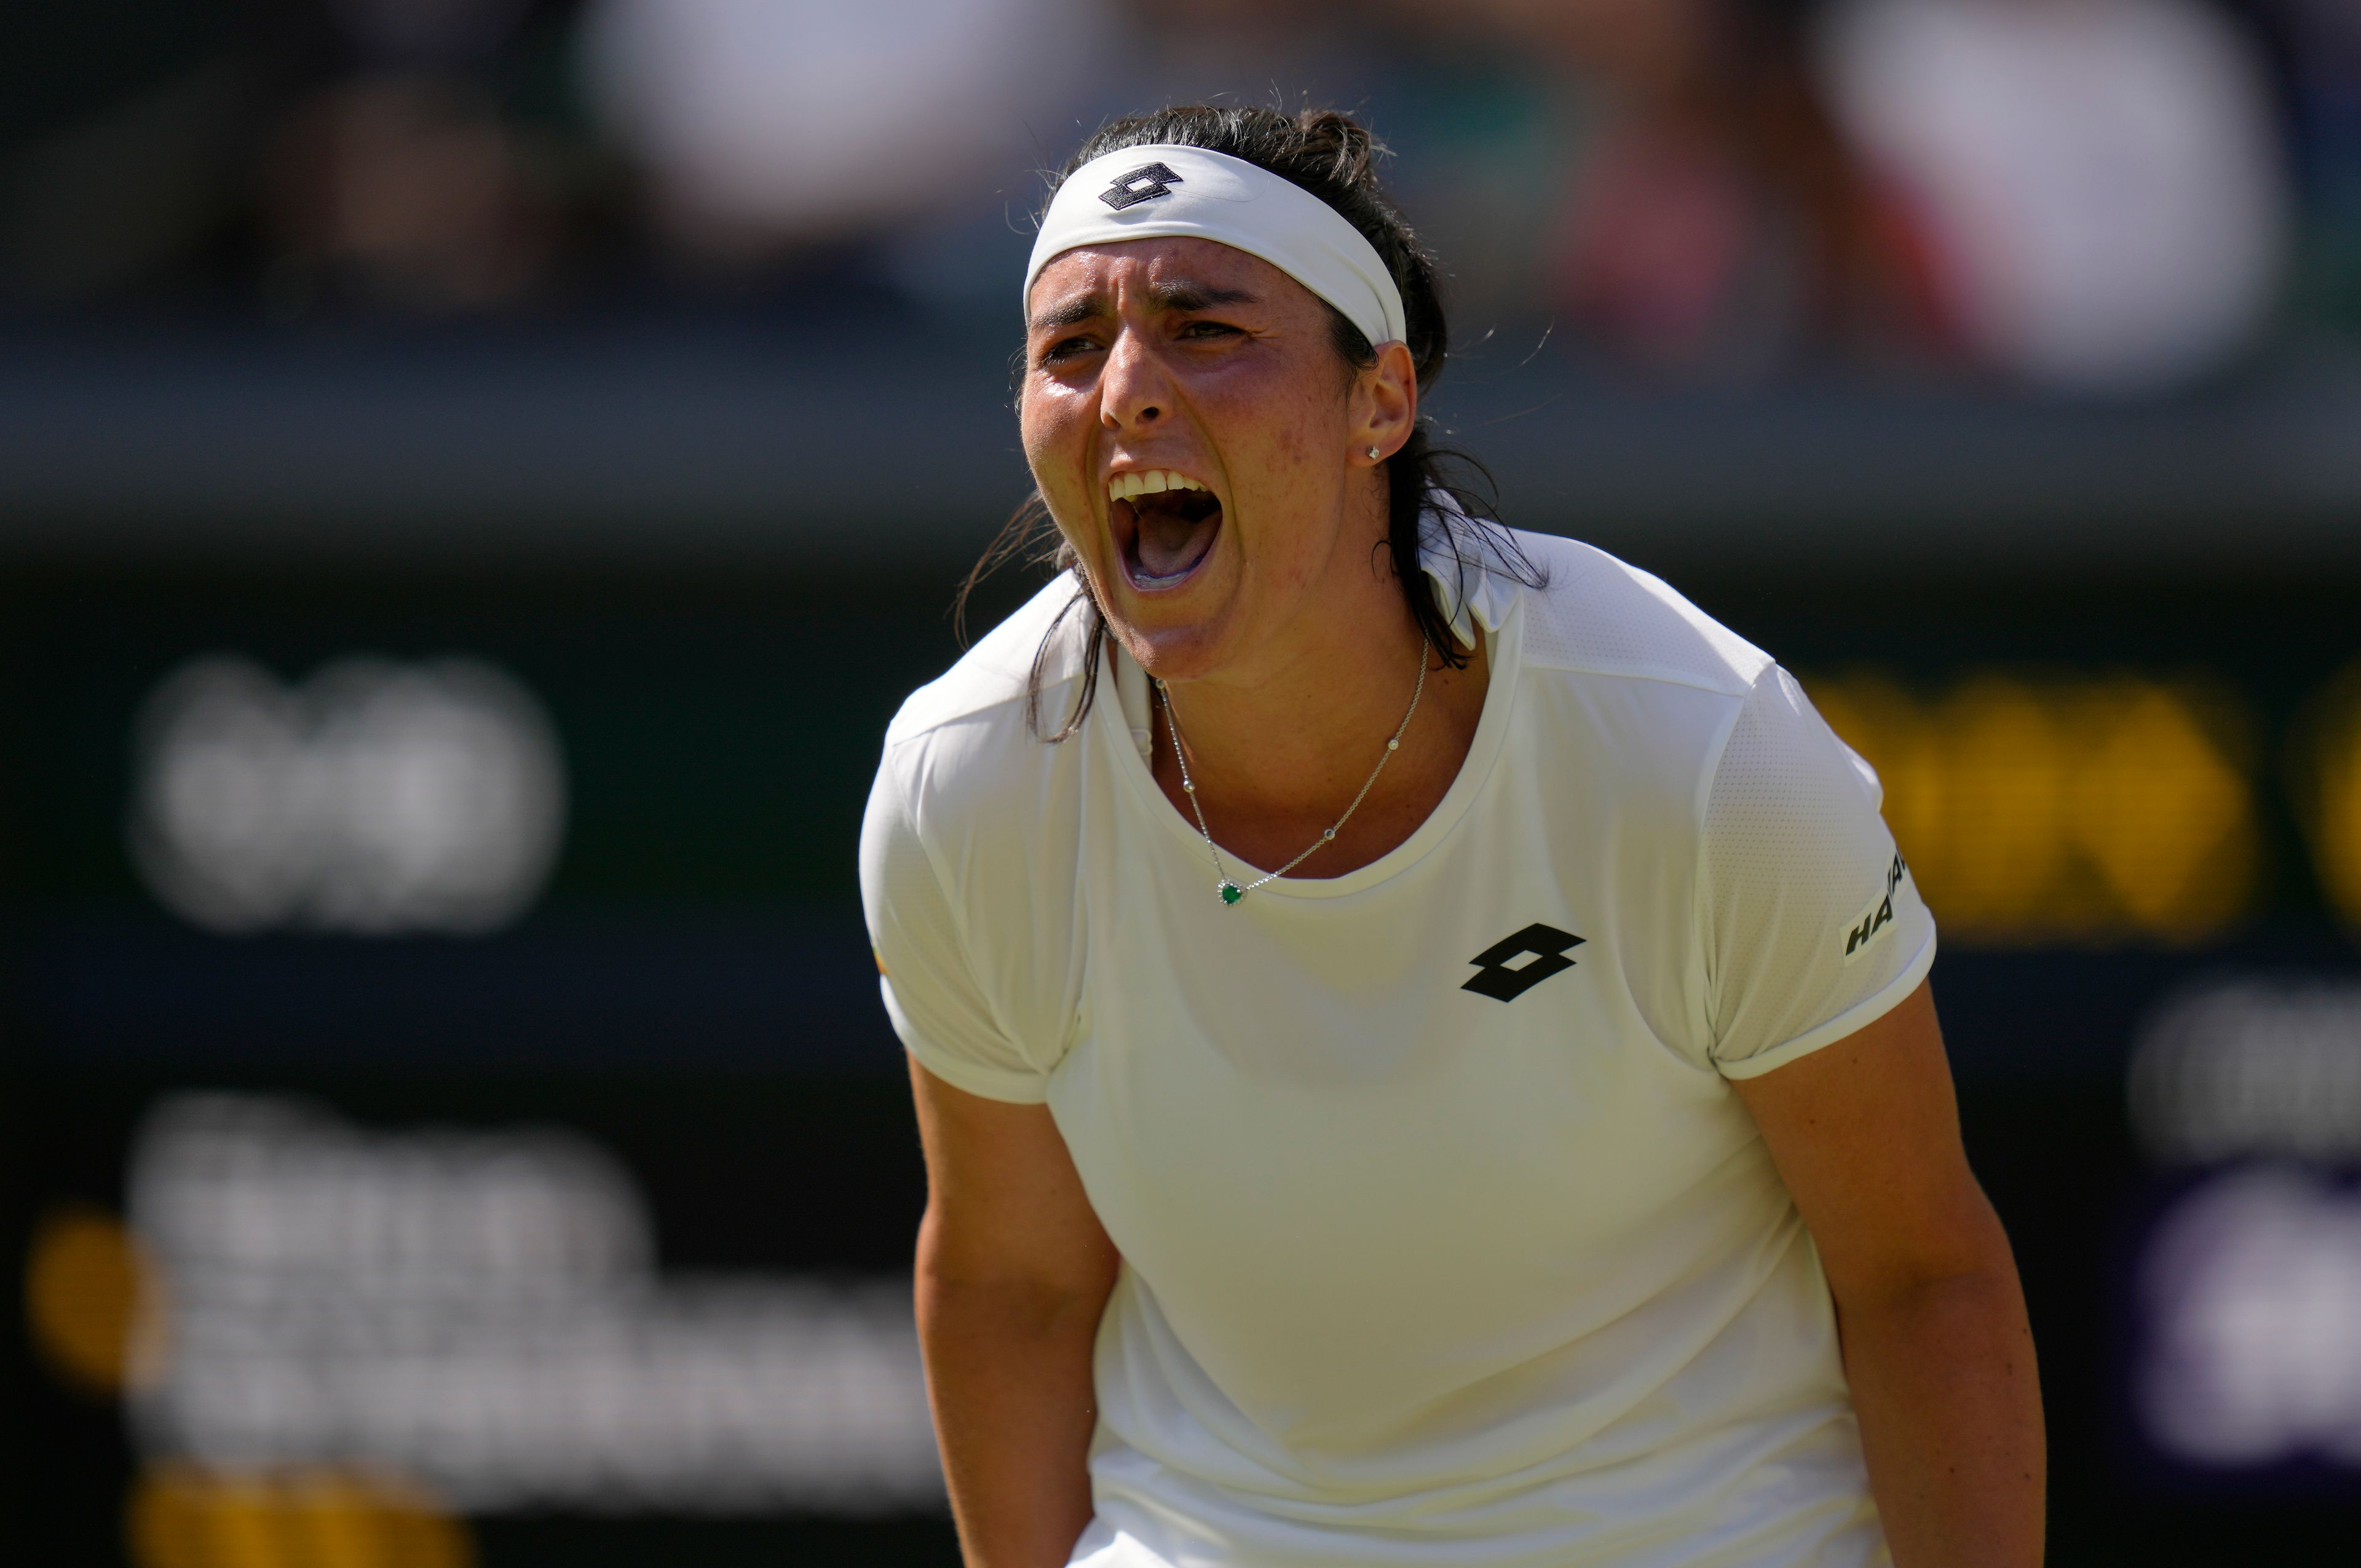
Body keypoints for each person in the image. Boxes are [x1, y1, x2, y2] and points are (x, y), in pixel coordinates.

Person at [858, 104, 2042, 1568]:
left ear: (1383, 401)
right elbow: (1012, 1287)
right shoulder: (966, 779)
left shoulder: (1700, 746)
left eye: (1205, 327)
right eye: (1069, 347)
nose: (1126, 393)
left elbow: (1922, 1275)